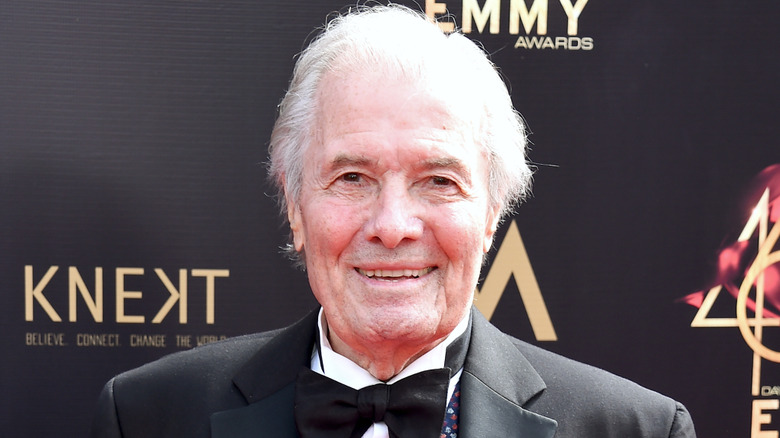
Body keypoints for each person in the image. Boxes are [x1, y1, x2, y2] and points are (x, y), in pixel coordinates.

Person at [90, 4, 696, 437]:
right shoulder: (147, 415)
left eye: (439, 181)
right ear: (295, 205)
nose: (393, 225)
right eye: (352, 178)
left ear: (492, 213)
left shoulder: (632, 429)